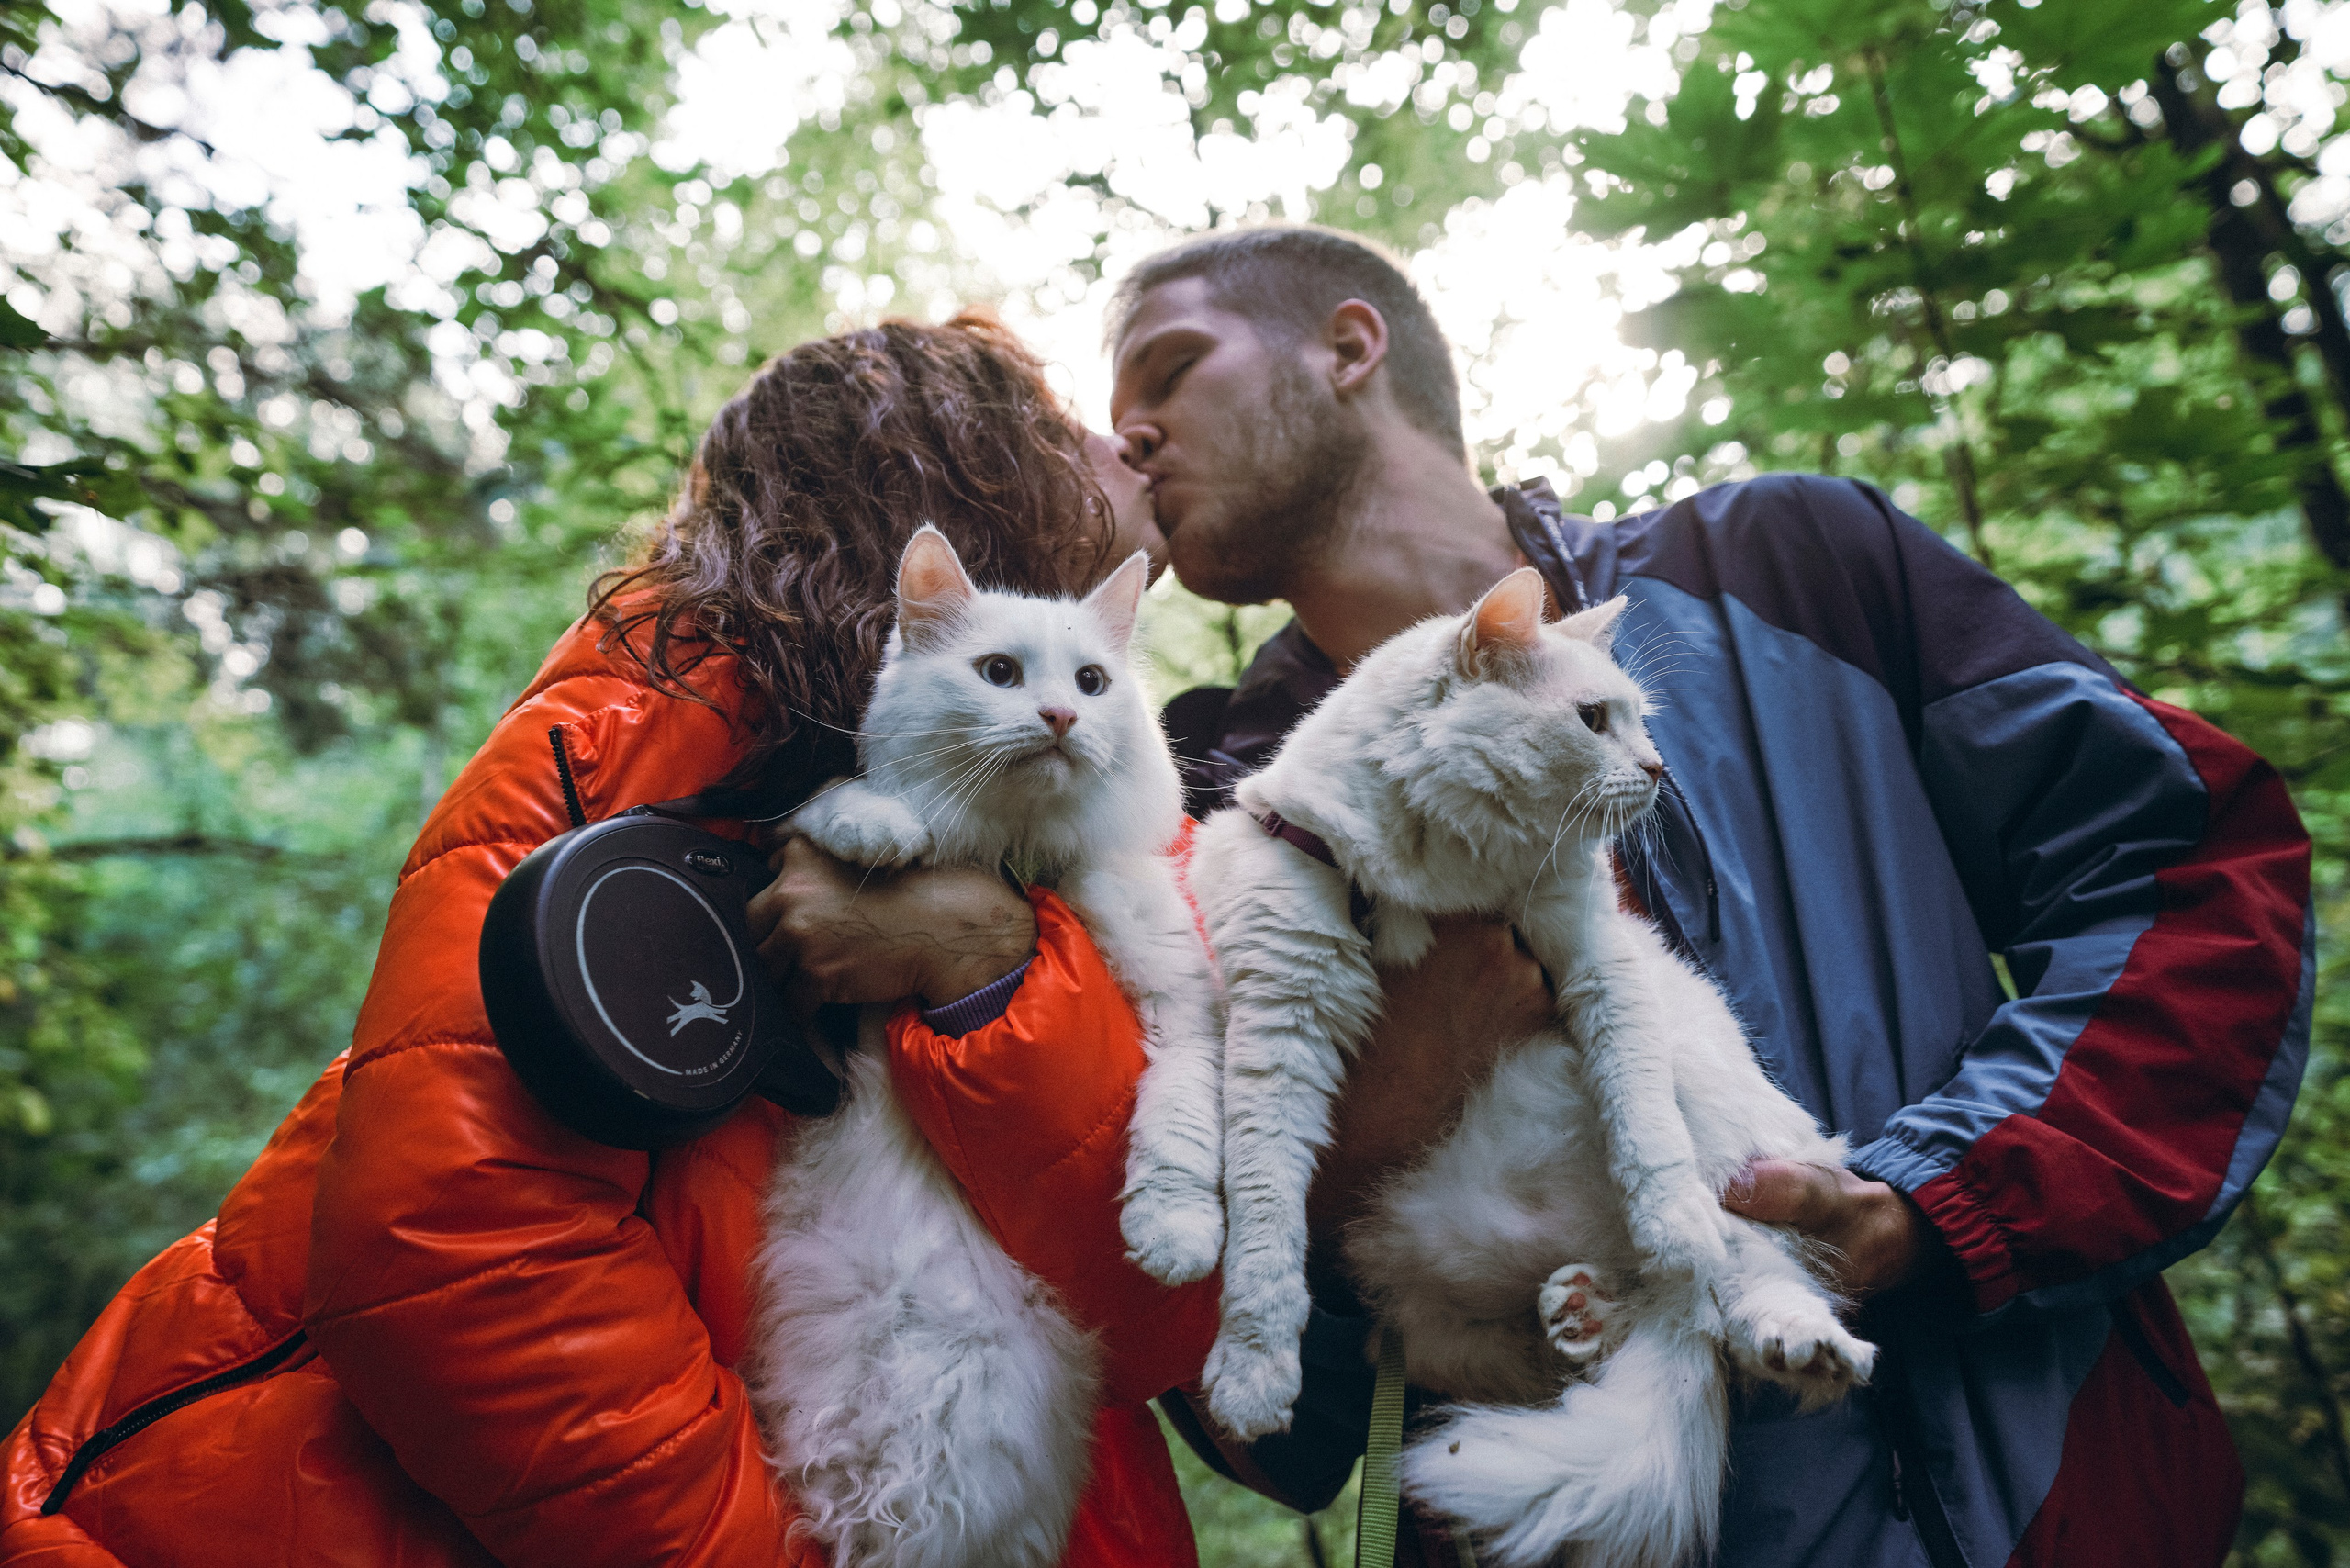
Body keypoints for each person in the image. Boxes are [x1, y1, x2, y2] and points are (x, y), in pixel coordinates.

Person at [1110, 226, 2314, 1568]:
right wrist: (1372, 1131)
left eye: (1168, 369)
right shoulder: (1204, 815)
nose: (1134, 435)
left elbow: (2194, 877)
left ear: (1348, 346)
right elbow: (1272, 1431)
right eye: (1115, 419)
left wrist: (1938, 1200)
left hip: (2031, 1510)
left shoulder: (1790, 569)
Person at [1, 315, 1220, 1567]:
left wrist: (983, 965)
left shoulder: (1105, 831)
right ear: (961, 470)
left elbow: (1167, 1304)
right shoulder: (665, 701)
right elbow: (453, 1242)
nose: (1123, 443)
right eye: (1067, 425)